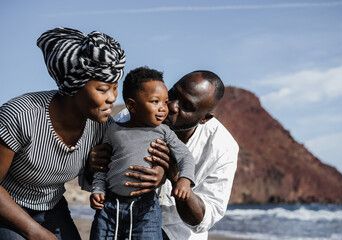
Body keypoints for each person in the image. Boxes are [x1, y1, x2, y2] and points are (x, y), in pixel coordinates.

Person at [0, 27, 127, 240]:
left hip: (52, 207)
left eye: (115, 88)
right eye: (103, 89)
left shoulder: (101, 126)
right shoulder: (21, 116)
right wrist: (35, 232)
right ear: (74, 86)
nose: (112, 98)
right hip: (7, 207)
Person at [114, 70, 239, 239]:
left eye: (186, 106)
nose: (171, 106)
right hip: (126, 221)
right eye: (173, 94)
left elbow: (203, 218)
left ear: (204, 118)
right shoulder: (131, 117)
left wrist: (175, 176)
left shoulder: (222, 148)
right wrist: (95, 163)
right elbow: (99, 182)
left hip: (178, 233)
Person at [89, 66, 196, 240]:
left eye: (165, 101)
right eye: (155, 101)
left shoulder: (164, 132)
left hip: (146, 209)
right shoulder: (113, 131)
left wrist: (185, 180)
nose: (163, 108)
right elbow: (103, 166)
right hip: (109, 207)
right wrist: (98, 189)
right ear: (132, 105)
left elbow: (185, 156)